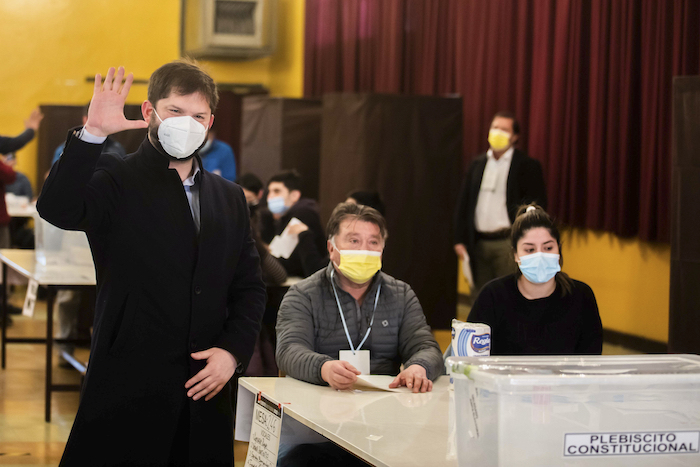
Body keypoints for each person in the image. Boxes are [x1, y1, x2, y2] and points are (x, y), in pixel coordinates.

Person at [37, 62, 266, 466]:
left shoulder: (229, 197)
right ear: (149, 113)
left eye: (198, 116)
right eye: (176, 111)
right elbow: (57, 207)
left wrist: (232, 353)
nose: (187, 124)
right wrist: (92, 133)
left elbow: (249, 287)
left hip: (204, 392)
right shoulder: (115, 176)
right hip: (127, 383)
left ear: (211, 121)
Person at [276, 202, 443, 393]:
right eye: (354, 241)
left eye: (373, 242)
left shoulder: (401, 294)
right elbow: (288, 350)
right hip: (321, 397)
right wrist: (324, 368)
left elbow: (426, 347)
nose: (365, 250)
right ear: (331, 249)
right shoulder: (303, 295)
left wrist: (419, 367)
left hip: (384, 401)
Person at [467, 204, 603, 355]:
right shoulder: (493, 296)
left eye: (548, 248)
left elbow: (591, 361)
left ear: (559, 249)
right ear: (516, 255)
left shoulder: (581, 296)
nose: (540, 256)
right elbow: (471, 358)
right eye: (530, 250)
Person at [454, 111, 547, 295]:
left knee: (509, 295)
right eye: (495, 127)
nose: (497, 132)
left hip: (508, 242)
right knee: (480, 296)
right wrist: (459, 239)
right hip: (478, 243)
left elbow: (537, 206)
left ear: (514, 137)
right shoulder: (477, 163)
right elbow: (464, 203)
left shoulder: (527, 165)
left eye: (504, 129)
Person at [263, 170, 328, 277]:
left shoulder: (303, 214)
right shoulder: (283, 216)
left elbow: (290, 262)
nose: (270, 197)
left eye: (277, 191)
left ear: (294, 195)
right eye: (269, 192)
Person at [51, 103, 126, 164]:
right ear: (85, 119)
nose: (101, 123)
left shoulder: (116, 149)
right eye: (97, 118)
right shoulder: (66, 149)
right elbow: (57, 177)